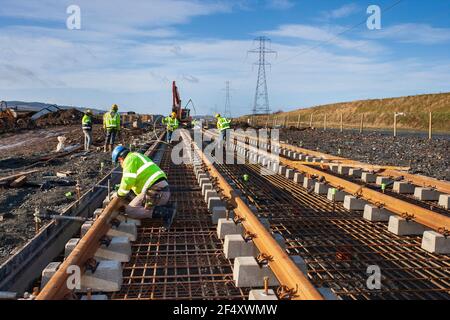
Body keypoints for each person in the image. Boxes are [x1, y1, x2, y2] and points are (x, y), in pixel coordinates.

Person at [112, 146, 176, 229]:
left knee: (131, 210)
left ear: (120, 158)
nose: (120, 165)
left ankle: (166, 212)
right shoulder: (136, 156)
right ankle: (168, 207)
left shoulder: (129, 160)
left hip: (155, 190)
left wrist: (118, 195)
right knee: (141, 204)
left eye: (119, 162)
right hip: (162, 190)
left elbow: (127, 182)